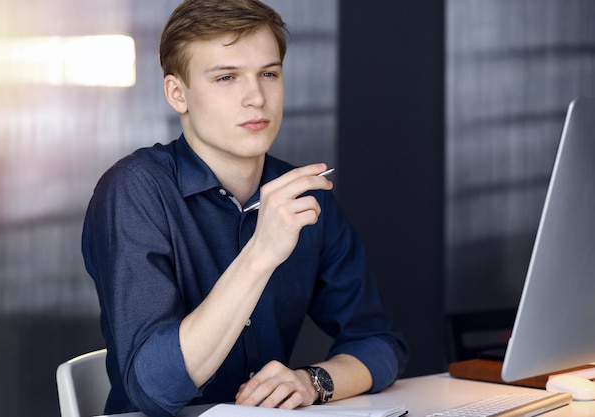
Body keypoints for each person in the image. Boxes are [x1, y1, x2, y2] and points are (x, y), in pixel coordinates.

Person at [81, 1, 409, 416]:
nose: (256, 98)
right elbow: (153, 387)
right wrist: (261, 253)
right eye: (226, 77)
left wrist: (312, 382)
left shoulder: (305, 196)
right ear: (177, 93)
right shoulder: (134, 191)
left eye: (269, 74)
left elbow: (381, 342)